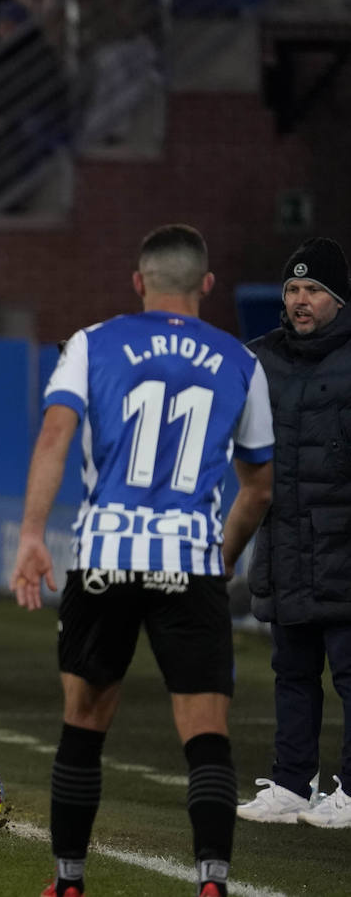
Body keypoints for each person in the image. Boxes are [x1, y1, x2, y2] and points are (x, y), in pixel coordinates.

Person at [10, 224, 274, 897]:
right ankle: (212, 879)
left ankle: (69, 880)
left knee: (85, 720)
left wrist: (33, 534)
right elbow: (259, 486)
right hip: (189, 562)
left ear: (139, 281)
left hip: (104, 558)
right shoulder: (242, 361)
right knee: (205, 730)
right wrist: (220, 556)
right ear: (206, 285)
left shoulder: (93, 343)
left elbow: (54, 435)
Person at [236, 237, 351, 829]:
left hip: (343, 545)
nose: (300, 300)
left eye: (313, 290)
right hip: (284, 543)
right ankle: (290, 784)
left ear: (337, 298)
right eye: (293, 289)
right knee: (292, 672)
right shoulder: (258, 358)